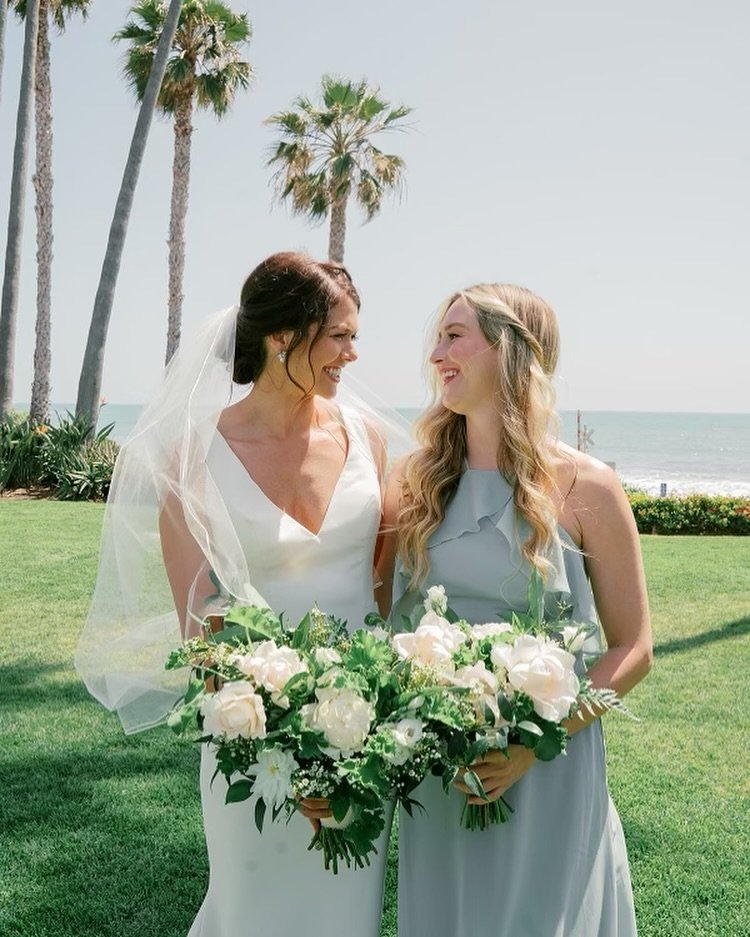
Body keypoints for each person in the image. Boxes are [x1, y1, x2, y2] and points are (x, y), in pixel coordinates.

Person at [75, 252, 403, 937]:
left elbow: (382, 589)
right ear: (283, 337)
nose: (352, 353)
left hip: (358, 728)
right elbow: (201, 635)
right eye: (339, 335)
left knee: (346, 911)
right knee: (251, 907)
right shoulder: (194, 455)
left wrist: (353, 732)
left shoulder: (366, 437)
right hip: (249, 735)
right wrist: (288, 743)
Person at [379, 283, 653, 937]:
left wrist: (533, 742)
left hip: (551, 769)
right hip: (442, 770)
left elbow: (634, 648)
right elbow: (383, 625)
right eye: (438, 337)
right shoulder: (412, 483)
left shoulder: (588, 486)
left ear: (508, 352)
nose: (436, 353)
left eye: (454, 335)